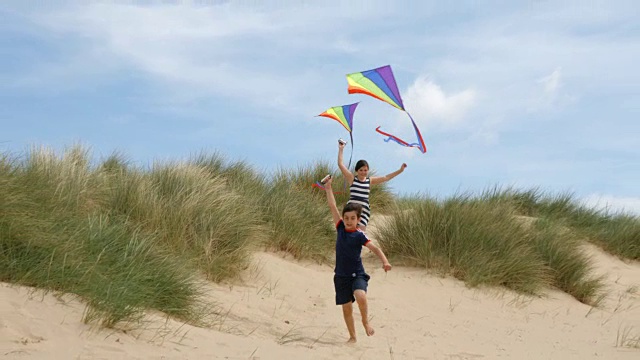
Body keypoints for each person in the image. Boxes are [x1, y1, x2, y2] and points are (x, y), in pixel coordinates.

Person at [321, 174, 392, 343]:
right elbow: (332, 205)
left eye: (352, 218)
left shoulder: (360, 234)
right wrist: (328, 187)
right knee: (346, 309)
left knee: (360, 295)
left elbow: (374, 247)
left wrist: (385, 261)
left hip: (357, 274)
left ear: (358, 219)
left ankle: (366, 322)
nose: (349, 221)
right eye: (346, 218)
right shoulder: (340, 228)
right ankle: (352, 337)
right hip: (341, 276)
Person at [338, 141, 407, 232]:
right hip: (351, 209)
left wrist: (400, 170)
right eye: (361, 170)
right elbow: (340, 165)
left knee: (360, 234)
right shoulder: (352, 178)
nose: (363, 172)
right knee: (348, 232)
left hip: (364, 211)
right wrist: (341, 149)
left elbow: (386, 177)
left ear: (368, 170)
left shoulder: (369, 180)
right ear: (357, 170)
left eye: (365, 170)